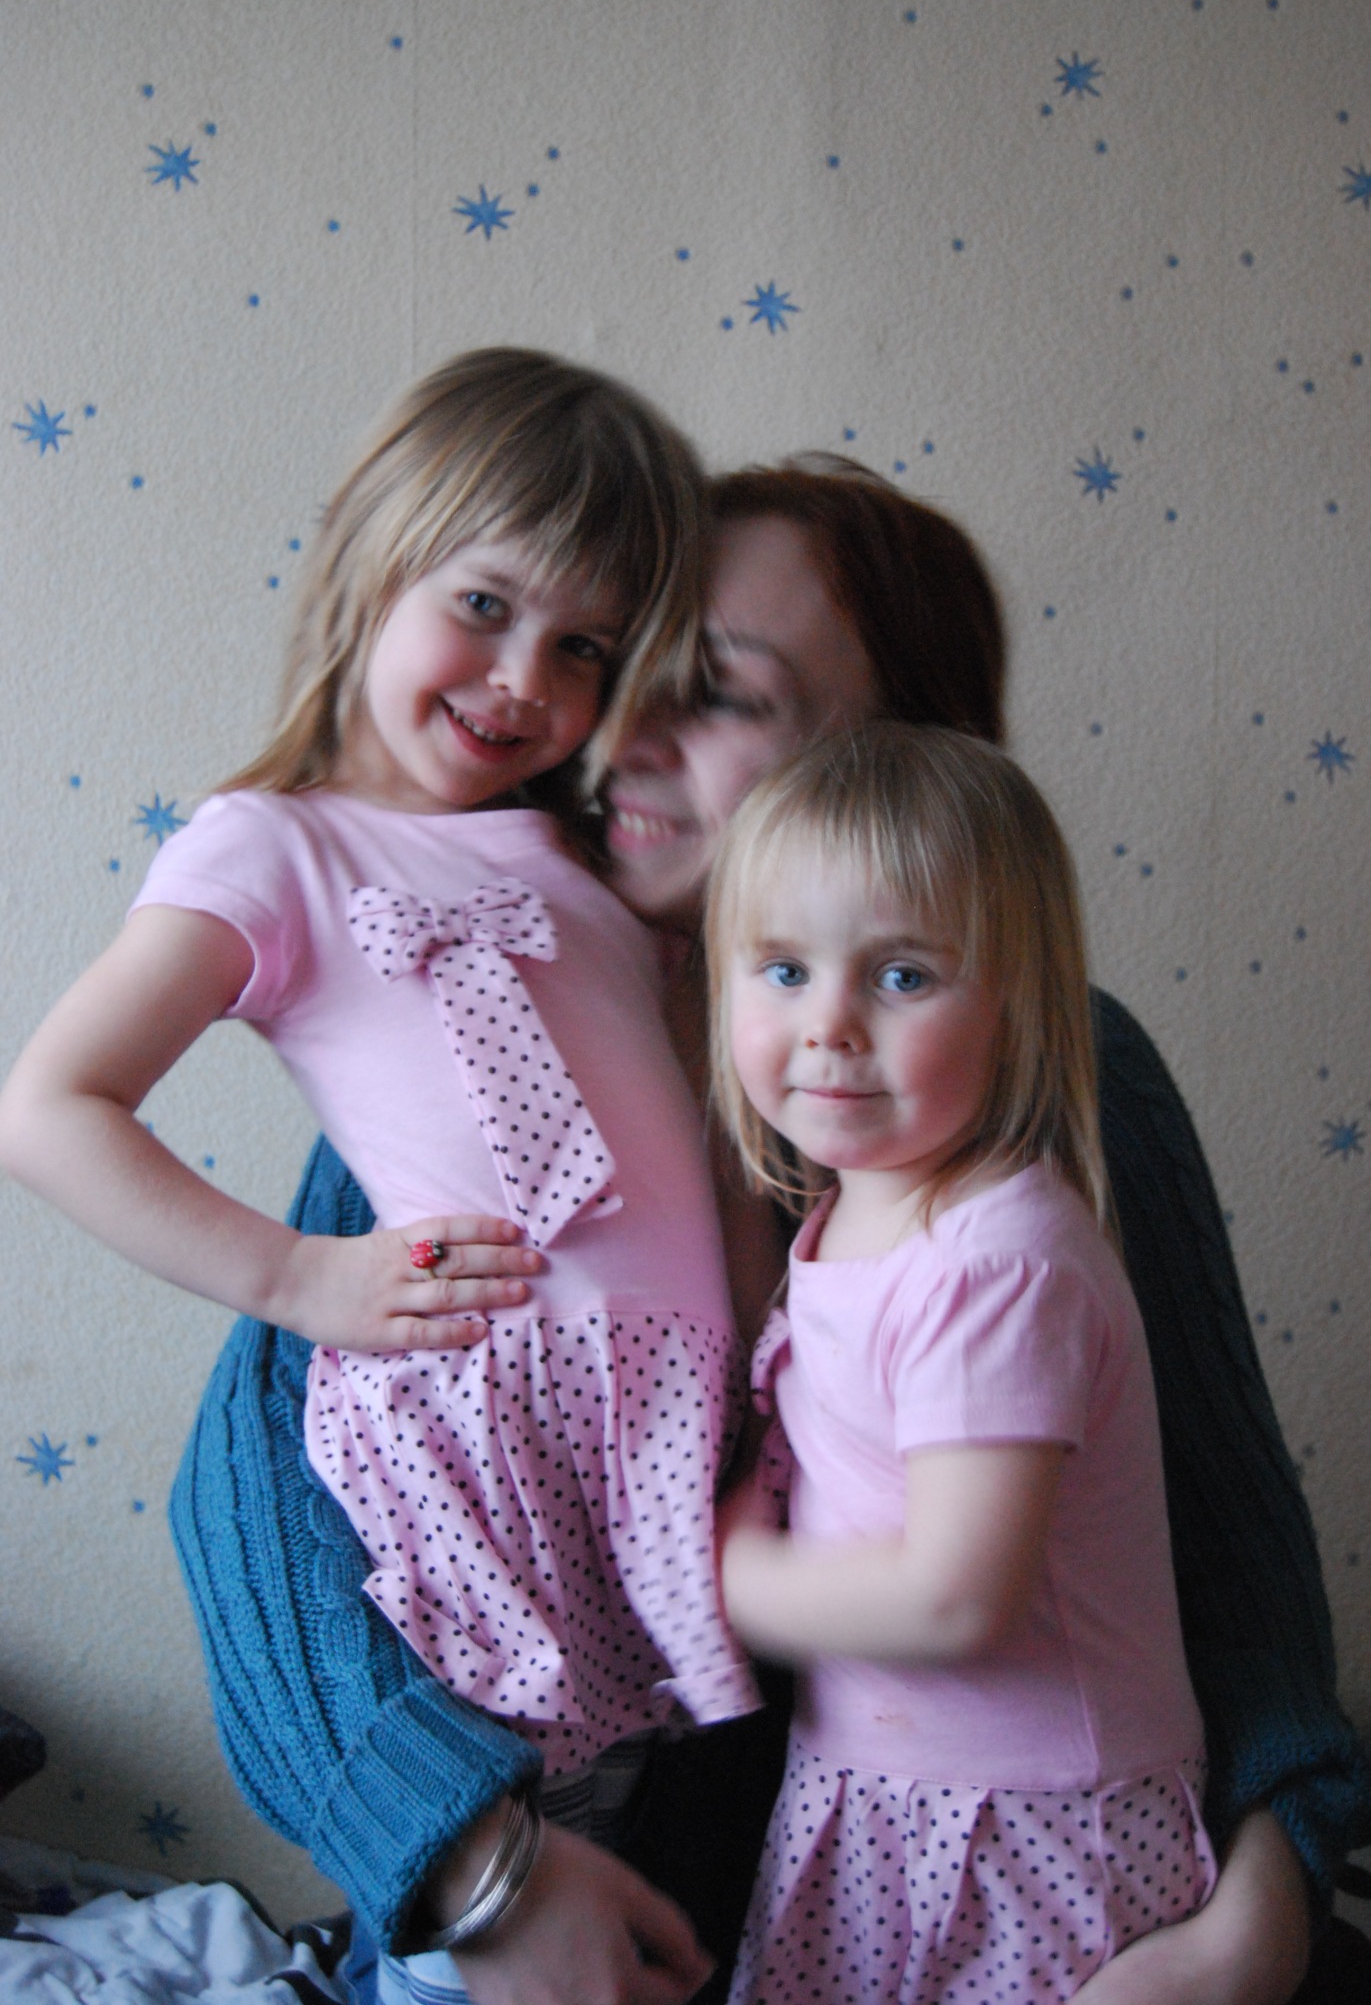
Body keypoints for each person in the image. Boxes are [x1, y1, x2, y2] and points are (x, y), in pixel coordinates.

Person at [169, 459, 1368, 2005]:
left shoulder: (1056, 1078)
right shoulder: (469, 1016)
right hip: (558, 1907)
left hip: (1008, 1904)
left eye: (720, 694)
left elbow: (1224, 1555)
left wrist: (1258, 1920)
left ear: (901, 763)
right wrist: (484, 1879)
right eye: (622, 669)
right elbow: (260, 1513)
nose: (619, 732)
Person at [0, 346, 782, 2004]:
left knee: (648, 1847)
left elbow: (693, 1135)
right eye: (484, 605)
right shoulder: (275, 842)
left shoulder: (582, 859)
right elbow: (51, 1106)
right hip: (473, 1429)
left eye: (582, 647)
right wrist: (298, 1275)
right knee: (494, 1874)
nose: (523, 678)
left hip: (658, 1430)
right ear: (373, 560)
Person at [708, 720, 1215, 2001]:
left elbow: (952, 1597)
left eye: (902, 975)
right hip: (892, 1786)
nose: (828, 1024)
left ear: (1018, 1003)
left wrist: (726, 1579)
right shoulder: (856, 1209)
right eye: (782, 968)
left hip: (1027, 1825)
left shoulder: (995, 1263)